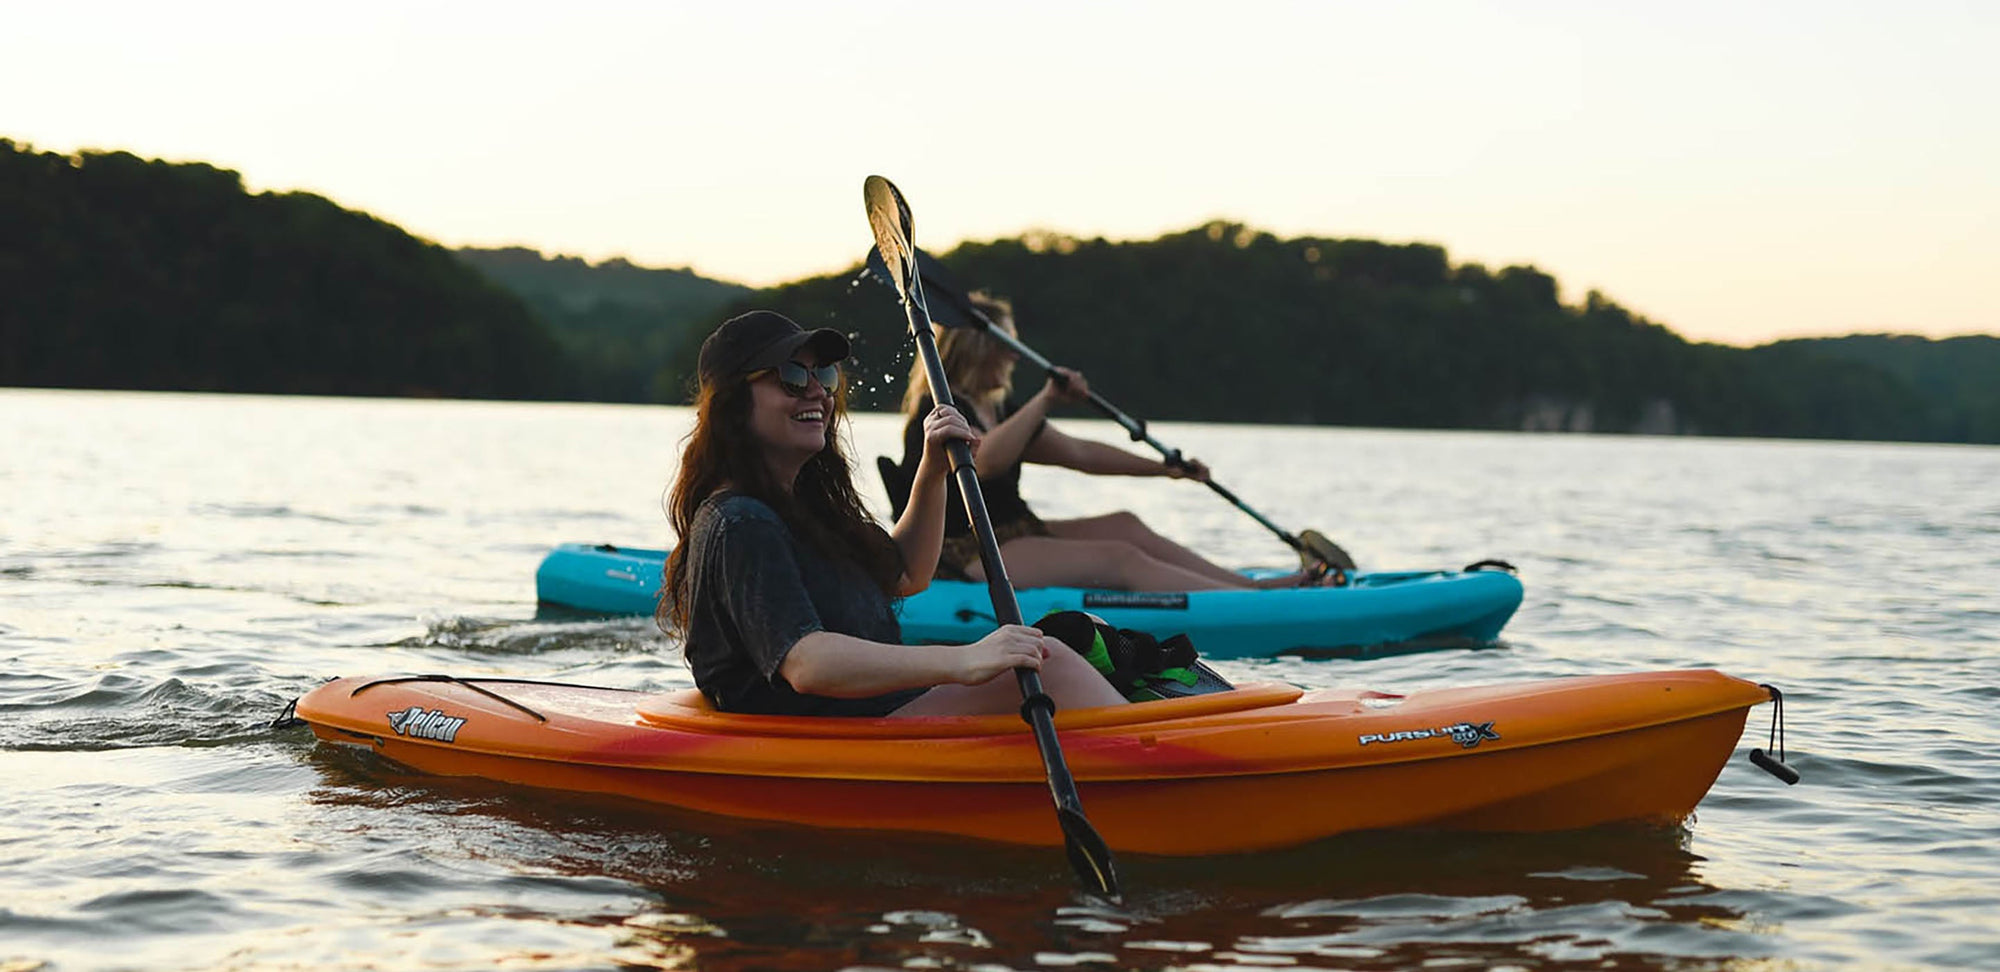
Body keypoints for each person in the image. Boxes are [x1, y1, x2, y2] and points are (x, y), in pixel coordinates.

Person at [659, 310, 1127, 718]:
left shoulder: (806, 508)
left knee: (1084, 633)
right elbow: (807, 663)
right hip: (823, 732)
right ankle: (1171, 763)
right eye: (791, 378)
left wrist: (931, 473)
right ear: (733, 406)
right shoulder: (741, 521)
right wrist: (964, 661)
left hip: (872, 710)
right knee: (1054, 663)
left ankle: (1176, 723)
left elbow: (906, 574)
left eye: (823, 376)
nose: (817, 393)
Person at [896, 293, 1319, 592]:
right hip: (964, 551)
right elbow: (983, 461)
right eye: (1008, 346)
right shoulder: (938, 413)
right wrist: (1047, 399)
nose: (1016, 357)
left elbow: (1081, 454)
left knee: (1125, 524)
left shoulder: (1001, 411)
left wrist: (1165, 470)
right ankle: (1249, 602)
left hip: (1014, 531)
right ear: (979, 350)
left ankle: (1253, 588)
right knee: (1120, 557)